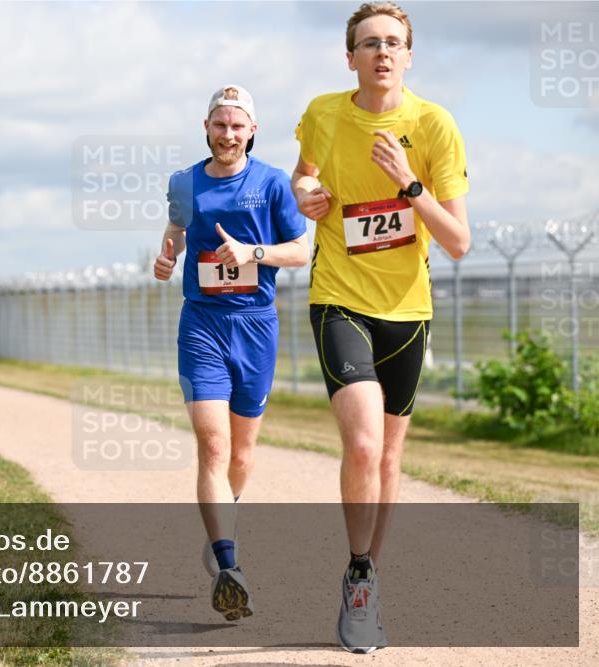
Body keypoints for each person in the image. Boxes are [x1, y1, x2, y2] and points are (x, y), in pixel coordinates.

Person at [291, 1, 470, 653]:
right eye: (370, 43)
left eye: (394, 42)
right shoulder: (323, 113)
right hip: (340, 296)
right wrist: (302, 194)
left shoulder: (433, 124)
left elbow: (458, 241)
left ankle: (364, 571)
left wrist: (409, 187)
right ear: (351, 58)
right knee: (365, 446)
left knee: (390, 455)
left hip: (408, 313)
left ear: (409, 56)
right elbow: (303, 179)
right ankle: (361, 582)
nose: (382, 52)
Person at [153, 85, 308, 621]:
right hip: (202, 325)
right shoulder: (183, 182)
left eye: (237, 126)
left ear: (252, 131)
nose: (228, 134)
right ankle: (228, 566)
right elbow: (176, 226)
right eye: (220, 125)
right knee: (214, 447)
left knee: (242, 455)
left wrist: (253, 252)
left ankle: (224, 526)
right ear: (206, 127)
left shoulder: (270, 183)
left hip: (256, 327)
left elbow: (302, 251)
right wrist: (167, 254)